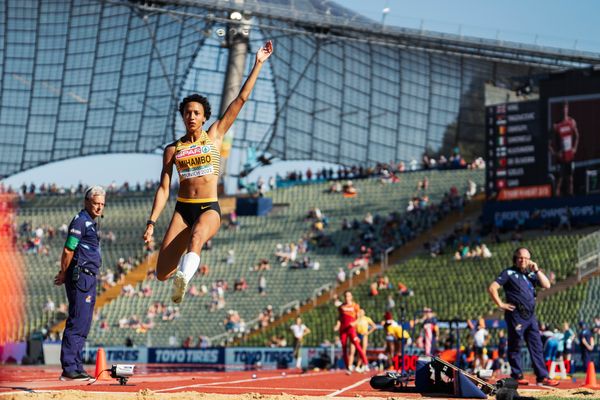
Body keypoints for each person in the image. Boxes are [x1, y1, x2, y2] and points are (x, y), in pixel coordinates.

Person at [143, 41, 273, 303]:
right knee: (160, 273)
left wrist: (258, 63)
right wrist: (151, 222)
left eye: (197, 113)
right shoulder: (173, 149)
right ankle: (178, 274)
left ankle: (184, 278)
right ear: (182, 117)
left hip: (208, 207)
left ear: (204, 118)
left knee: (198, 236)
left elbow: (241, 99)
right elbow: (164, 188)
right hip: (182, 209)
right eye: (188, 113)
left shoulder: (215, 135)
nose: (192, 116)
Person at [54, 186, 105, 381]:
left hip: (89, 276)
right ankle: (69, 368)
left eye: (102, 204)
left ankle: (75, 366)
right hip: (81, 275)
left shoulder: (90, 223)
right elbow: (69, 250)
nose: (99, 208)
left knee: (83, 323)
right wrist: (63, 273)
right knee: (77, 321)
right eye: (96, 203)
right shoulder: (81, 221)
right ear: (86, 202)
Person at [488, 247, 559, 386]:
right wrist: (500, 304)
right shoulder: (508, 272)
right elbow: (492, 288)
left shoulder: (531, 276)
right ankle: (517, 374)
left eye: (526, 258)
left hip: (531, 316)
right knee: (515, 344)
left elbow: (547, 285)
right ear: (515, 258)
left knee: (537, 345)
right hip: (516, 314)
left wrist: (537, 270)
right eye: (521, 257)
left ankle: (542, 377)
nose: (523, 260)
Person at [333, 291, 369, 373]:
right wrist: (337, 325)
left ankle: (366, 363)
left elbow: (359, 317)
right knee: (344, 347)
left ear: (351, 297)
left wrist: (354, 323)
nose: (347, 297)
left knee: (357, 345)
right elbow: (340, 318)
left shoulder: (355, 306)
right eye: (345, 296)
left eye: (348, 296)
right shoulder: (341, 307)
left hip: (351, 329)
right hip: (343, 330)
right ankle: (348, 366)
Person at [550, 101, 579, 196]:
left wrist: (574, 148)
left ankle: (572, 201)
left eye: (566, 108)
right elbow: (549, 143)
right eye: (563, 109)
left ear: (568, 109)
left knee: (570, 179)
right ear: (561, 110)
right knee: (559, 181)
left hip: (570, 156)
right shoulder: (556, 125)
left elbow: (577, 136)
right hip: (561, 158)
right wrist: (555, 153)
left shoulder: (571, 122)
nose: (564, 111)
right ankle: (557, 205)